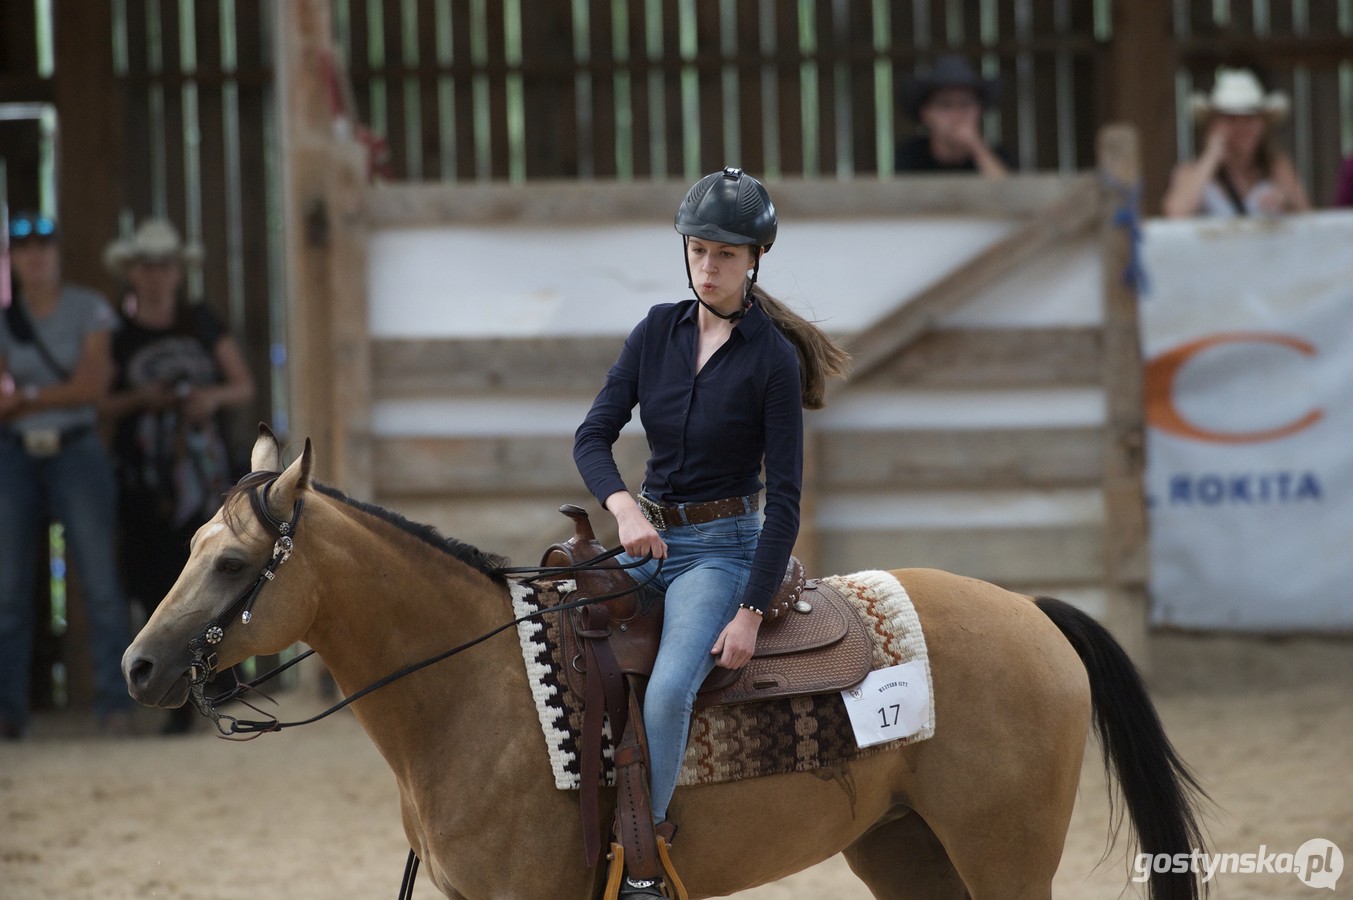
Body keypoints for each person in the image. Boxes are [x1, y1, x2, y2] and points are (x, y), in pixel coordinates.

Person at [573, 168, 850, 897]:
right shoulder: (654, 332)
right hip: (646, 537)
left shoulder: (771, 361)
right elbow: (593, 435)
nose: (708, 266)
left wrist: (750, 613)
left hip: (721, 553)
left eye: (725, 254)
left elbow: (785, 503)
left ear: (755, 258)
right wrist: (624, 509)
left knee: (667, 694)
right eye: (698, 250)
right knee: (557, 633)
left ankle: (642, 867)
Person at [100, 219, 254, 733]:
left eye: (165, 265)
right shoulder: (118, 337)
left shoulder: (202, 322)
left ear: (177, 271)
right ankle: (174, 690)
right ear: (131, 272)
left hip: (205, 474)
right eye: (147, 265)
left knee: (218, 573)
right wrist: (144, 401)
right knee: (152, 577)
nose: (156, 275)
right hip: (145, 479)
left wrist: (206, 399)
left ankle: (220, 680)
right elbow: (102, 402)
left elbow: (242, 386)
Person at [0, 212, 135, 739]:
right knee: (8, 590)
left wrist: (25, 397)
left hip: (77, 451)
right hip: (13, 455)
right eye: (23, 248)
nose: (35, 257)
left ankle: (116, 706)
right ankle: (9, 713)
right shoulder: (6, 320)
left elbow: (93, 388)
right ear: (11, 259)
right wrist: (43, 397)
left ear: (58, 253)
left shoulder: (90, 308)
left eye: (44, 247)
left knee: (101, 582)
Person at [1163, 67, 1311, 218]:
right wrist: (1211, 156)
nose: (1241, 128)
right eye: (1231, 119)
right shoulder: (1190, 172)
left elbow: (1308, 218)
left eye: (1249, 119)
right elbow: (1176, 213)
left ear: (1264, 124)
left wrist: (1285, 200)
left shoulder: (1277, 167)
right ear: (1213, 124)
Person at [895, 53, 1012, 178]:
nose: (957, 114)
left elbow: (1009, 192)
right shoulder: (909, 156)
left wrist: (977, 147)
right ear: (926, 113)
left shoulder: (997, 156)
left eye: (965, 104)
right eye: (945, 105)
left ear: (980, 110)